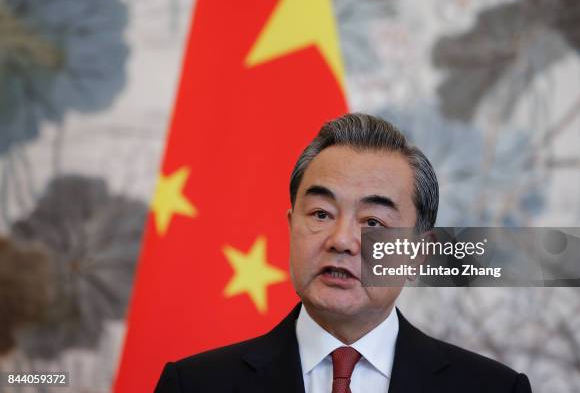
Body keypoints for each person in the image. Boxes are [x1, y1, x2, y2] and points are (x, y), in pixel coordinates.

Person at [154, 113, 532, 392]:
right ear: (291, 226)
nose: (342, 239)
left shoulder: (494, 390)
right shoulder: (194, 385)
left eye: (373, 222)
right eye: (321, 214)